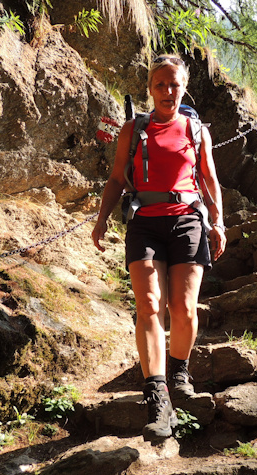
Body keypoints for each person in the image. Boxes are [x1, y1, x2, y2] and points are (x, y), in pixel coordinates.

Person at [91, 55, 227, 440]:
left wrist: (217, 222)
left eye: (174, 84)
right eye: (160, 85)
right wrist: (101, 219)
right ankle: (156, 393)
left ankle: (179, 370)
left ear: (184, 87)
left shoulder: (197, 131)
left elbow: (210, 180)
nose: (168, 91)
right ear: (150, 89)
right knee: (150, 305)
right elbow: (118, 177)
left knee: (182, 309)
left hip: (187, 220)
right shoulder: (133, 129)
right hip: (144, 223)